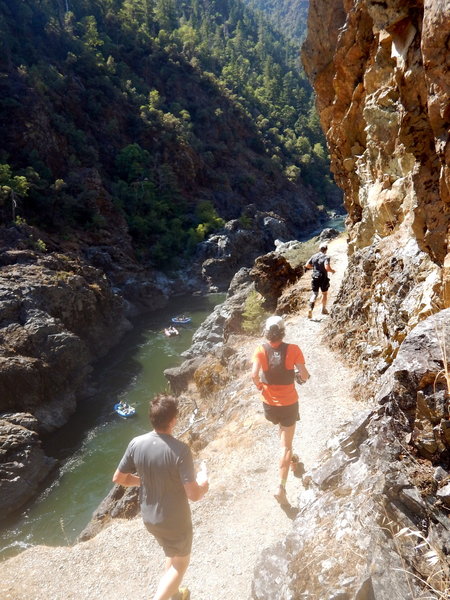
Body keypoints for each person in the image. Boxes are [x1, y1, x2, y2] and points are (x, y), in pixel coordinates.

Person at [113, 394, 209, 600]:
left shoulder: (136, 443)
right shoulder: (181, 450)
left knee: (171, 553)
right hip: (174, 520)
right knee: (181, 563)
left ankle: (174, 594)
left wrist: (145, 480)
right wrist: (204, 485)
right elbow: (193, 495)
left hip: (149, 518)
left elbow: (119, 478)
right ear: (173, 421)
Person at [251, 316, 310, 506]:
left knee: (284, 436)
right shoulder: (293, 349)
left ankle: (293, 461)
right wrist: (300, 377)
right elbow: (304, 375)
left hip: (269, 404)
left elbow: (254, 375)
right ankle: (281, 487)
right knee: (285, 445)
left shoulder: (261, 350)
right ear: (283, 331)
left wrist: (260, 387)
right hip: (288, 404)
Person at [304, 243, 336, 318]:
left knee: (314, 294)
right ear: (326, 249)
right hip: (323, 278)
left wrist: (315, 267)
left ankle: (310, 309)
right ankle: (323, 309)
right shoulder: (326, 257)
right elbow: (327, 268)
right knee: (324, 293)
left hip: (315, 277)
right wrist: (332, 271)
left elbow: (307, 265)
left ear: (319, 249)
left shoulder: (314, 256)